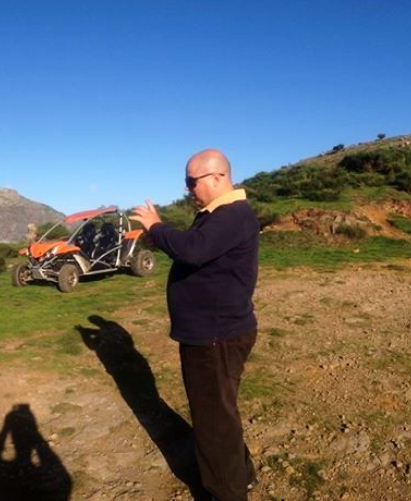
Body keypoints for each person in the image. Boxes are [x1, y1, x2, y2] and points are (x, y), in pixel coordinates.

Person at [128, 148, 260, 501]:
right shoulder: (216, 214)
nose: (188, 188)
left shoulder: (232, 214)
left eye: (192, 181)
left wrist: (156, 226)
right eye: (186, 182)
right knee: (219, 412)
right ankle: (241, 474)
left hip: (215, 335)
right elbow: (192, 249)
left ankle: (226, 493)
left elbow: (193, 249)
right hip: (214, 332)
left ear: (218, 176)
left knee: (214, 422)